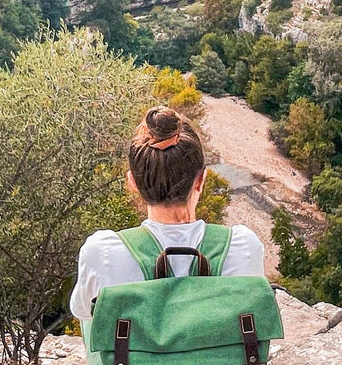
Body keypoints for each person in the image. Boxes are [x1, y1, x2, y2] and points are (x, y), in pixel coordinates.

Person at [69, 105, 264, 321]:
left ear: (133, 182)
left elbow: (82, 311)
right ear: (201, 180)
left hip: (130, 356)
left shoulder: (102, 251)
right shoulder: (243, 245)